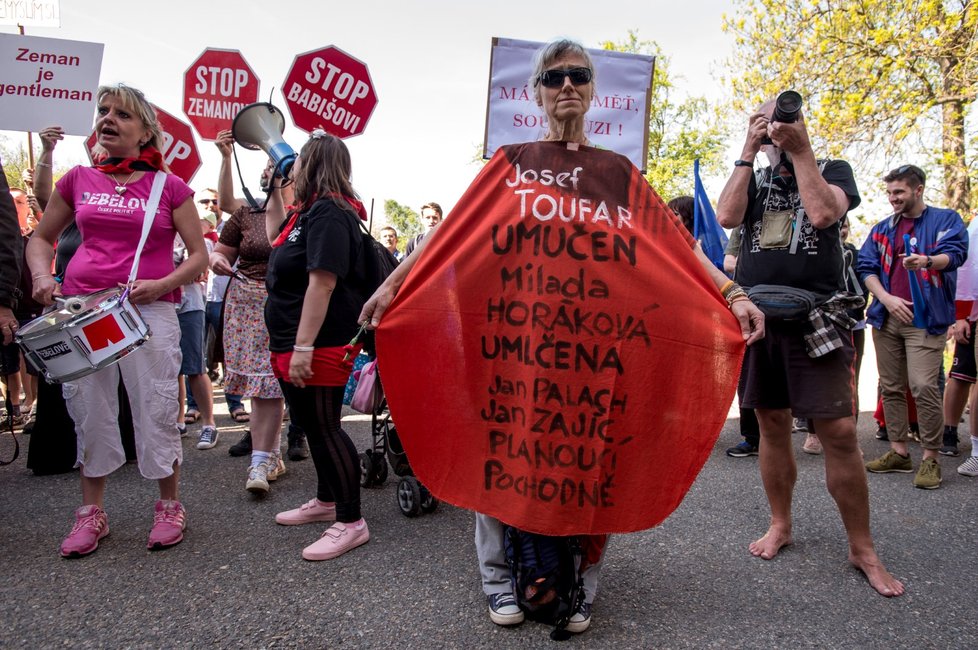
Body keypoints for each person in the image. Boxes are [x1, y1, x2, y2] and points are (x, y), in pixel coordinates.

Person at [359, 38, 764, 632]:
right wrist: (393, 286)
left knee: (593, 460)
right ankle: (498, 579)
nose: (567, 85)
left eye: (578, 75)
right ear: (537, 92)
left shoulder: (618, 175)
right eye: (554, 77)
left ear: (594, 90)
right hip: (514, 348)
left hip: (594, 353)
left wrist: (733, 294)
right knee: (501, 456)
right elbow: (447, 238)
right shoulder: (509, 163)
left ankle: (578, 585)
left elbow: (676, 248)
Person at [715, 97, 904, 596]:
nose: (777, 125)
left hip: (818, 317)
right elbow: (727, 216)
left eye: (785, 118)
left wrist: (801, 153)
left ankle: (862, 547)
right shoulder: (754, 176)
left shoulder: (832, 168)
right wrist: (748, 148)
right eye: (768, 118)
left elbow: (822, 214)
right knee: (772, 425)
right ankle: (781, 524)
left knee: (839, 431)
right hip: (759, 318)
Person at [26, 84, 207, 557]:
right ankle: (92, 514)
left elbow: (199, 255)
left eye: (122, 115)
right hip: (83, 313)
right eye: (103, 112)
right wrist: (42, 277)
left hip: (146, 311)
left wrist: (165, 280)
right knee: (90, 409)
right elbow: (41, 238)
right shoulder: (78, 179)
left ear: (146, 130)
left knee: (157, 406)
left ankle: (169, 506)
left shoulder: (170, 187)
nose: (108, 119)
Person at [264, 129, 370, 560]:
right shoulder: (305, 213)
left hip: (318, 343)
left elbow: (322, 284)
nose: (295, 169)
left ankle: (351, 520)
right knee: (311, 425)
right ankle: (327, 501)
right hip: (293, 340)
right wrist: (274, 187)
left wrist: (304, 347)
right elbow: (274, 236)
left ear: (313, 165)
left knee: (326, 428)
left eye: (301, 162)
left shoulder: (329, 212)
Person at [858, 164, 968, 489]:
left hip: (926, 319)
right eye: (890, 192)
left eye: (899, 192)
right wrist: (887, 299)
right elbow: (866, 266)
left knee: (923, 387)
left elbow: (956, 254)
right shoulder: (881, 228)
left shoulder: (944, 219)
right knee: (890, 387)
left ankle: (931, 458)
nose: (893, 198)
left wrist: (927, 261)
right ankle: (899, 452)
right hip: (886, 317)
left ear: (918, 189)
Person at [212, 130, 288, 492]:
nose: (270, 171)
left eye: (277, 166)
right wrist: (216, 261)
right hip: (245, 304)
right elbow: (221, 252)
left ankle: (265, 458)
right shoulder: (245, 213)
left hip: (287, 305)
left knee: (272, 385)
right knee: (262, 387)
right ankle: (265, 458)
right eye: (266, 165)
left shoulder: (303, 214)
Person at [189, 188, 248, 423]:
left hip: (226, 299)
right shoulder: (189, 229)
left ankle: (235, 402)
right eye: (204, 201)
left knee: (230, 353)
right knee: (195, 354)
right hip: (196, 299)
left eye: (215, 200)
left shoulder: (232, 228)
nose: (211, 204)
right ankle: (194, 406)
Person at [174, 211, 218, 449]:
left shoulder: (196, 237)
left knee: (194, 367)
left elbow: (199, 269)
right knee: (171, 369)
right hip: (160, 305)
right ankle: (178, 421)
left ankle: (209, 425)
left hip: (189, 305)